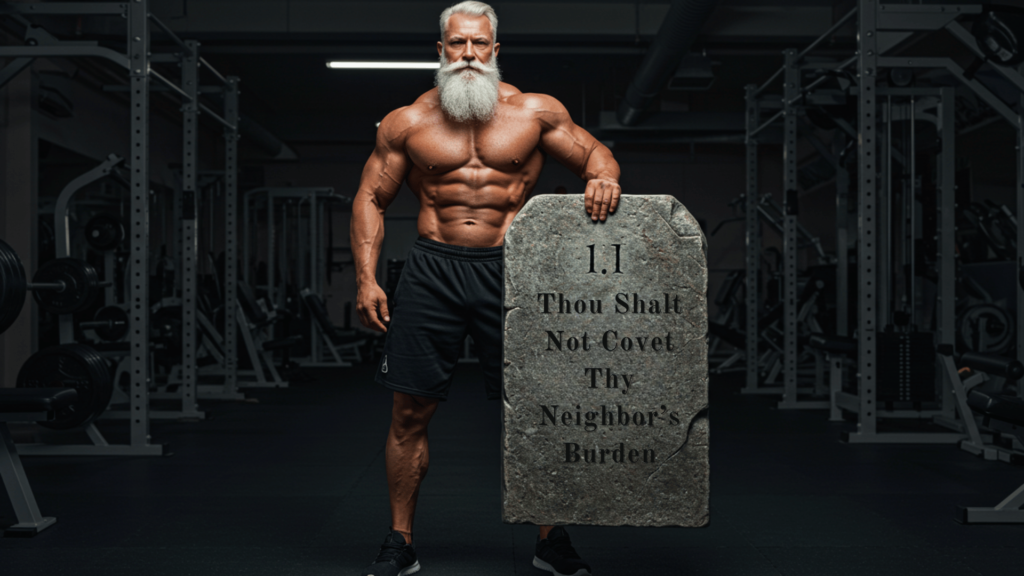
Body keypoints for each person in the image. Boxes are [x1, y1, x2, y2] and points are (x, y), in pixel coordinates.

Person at [350, 2, 621, 575]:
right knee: (409, 412)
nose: (467, 54)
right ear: (441, 50)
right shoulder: (408, 122)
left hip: (513, 271)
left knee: (536, 412)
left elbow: (596, 153)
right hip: (431, 271)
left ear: (496, 50)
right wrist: (367, 278)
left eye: (478, 44)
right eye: (456, 44)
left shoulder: (535, 113)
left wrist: (602, 176)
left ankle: (551, 539)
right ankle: (400, 541)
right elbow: (372, 198)